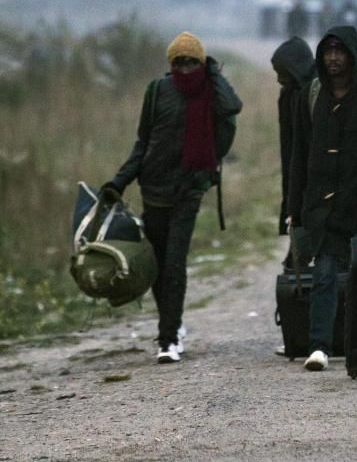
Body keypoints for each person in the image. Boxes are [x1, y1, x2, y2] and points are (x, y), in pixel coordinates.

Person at [102, 32, 242, 364]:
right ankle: (173, 324)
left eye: (191, 61)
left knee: (175, 263)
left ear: (202, 63)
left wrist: (213, 72)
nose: (184, 68)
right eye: (178, 62)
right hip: (154, 188)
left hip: (189, 189)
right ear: (170, 64)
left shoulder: (212, 93)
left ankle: (167, 339)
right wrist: (119, 182)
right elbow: (143, 142)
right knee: (157, 265)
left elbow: (233, 106)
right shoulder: (157, 92)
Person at [287, 26, 357, 371]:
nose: (333, 58)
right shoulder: (310, 96)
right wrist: (293, 209)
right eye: (327, 52)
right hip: (321, 209)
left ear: (352, 55)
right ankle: (319, 347)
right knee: (324, 274)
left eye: (340, 51)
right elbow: (299, 153)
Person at [270, 36, 316, 268]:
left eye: (282, 72)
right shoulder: (289, 94)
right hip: (296, 172)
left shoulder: (317, 92)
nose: (279, 78)